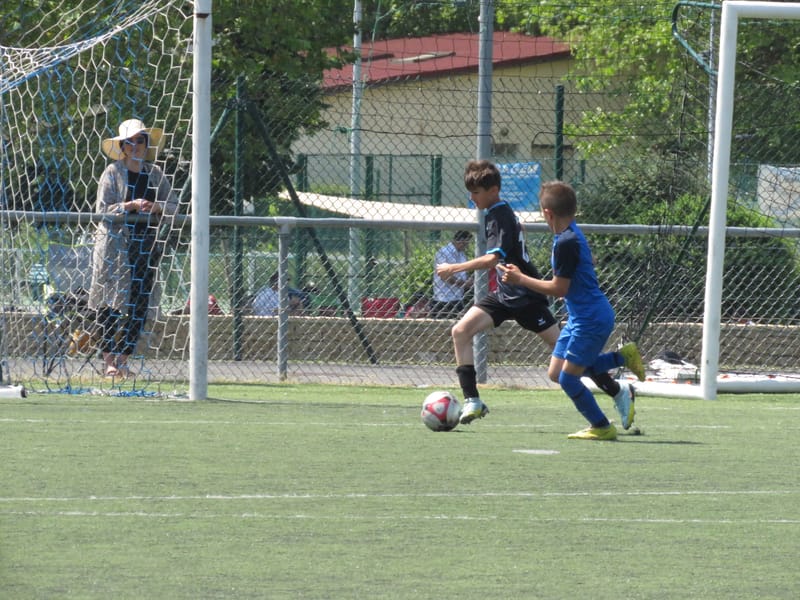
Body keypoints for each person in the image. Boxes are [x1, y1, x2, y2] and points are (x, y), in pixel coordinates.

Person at [436, 159, 638, 426]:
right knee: (461, 331)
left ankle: (617, 390)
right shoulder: (494, 214)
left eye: (475, 193)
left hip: (524, 295)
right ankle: (472, 399)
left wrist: (454, 267)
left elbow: (491, 259)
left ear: (493, 190)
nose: (471, 198)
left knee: (568, 362)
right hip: (505, 293)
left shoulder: (502, 215)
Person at [499, 180, 646, 440]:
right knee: (557, 373)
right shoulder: (569, 235)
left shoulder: (566, 241)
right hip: (582, 317)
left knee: (569, 379)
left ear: (547, 213)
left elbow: (559, 289)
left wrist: (520, 279)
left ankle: (601, 426)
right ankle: (622, 358)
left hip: (591, 319)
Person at [88, 118, 178, 378]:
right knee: (109, 304)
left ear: (146, 144)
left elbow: (172, 206)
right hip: (115, 248)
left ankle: (125, 358)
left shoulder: (156, 174)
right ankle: (109, 361)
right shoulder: (112, 172)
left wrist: (156, 207)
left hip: (145, 248)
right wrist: (129, 206)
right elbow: (102, 210)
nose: (135, 146)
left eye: (140, 140)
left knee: (139, 302)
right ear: (122, 146)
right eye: (130, 141)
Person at [430, 230, 473, 319]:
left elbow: (464, 273)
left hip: (458, 297)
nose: (466, 246)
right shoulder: (443, 252)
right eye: (465, 243)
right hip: (443, 298)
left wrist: (468, 280)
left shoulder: (462, 254)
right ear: (460, 241)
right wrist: (464, 284)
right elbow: (445, 276)